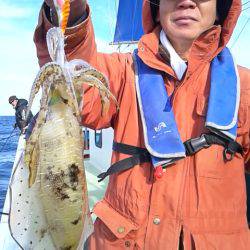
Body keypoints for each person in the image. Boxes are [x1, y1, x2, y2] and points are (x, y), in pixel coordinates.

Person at [34, 0, 250, 249]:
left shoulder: (245, 88)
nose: (186, 2)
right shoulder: (123, 72)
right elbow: (73, 81)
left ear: (220, 8)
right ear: (157, 7)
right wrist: (73, 13)